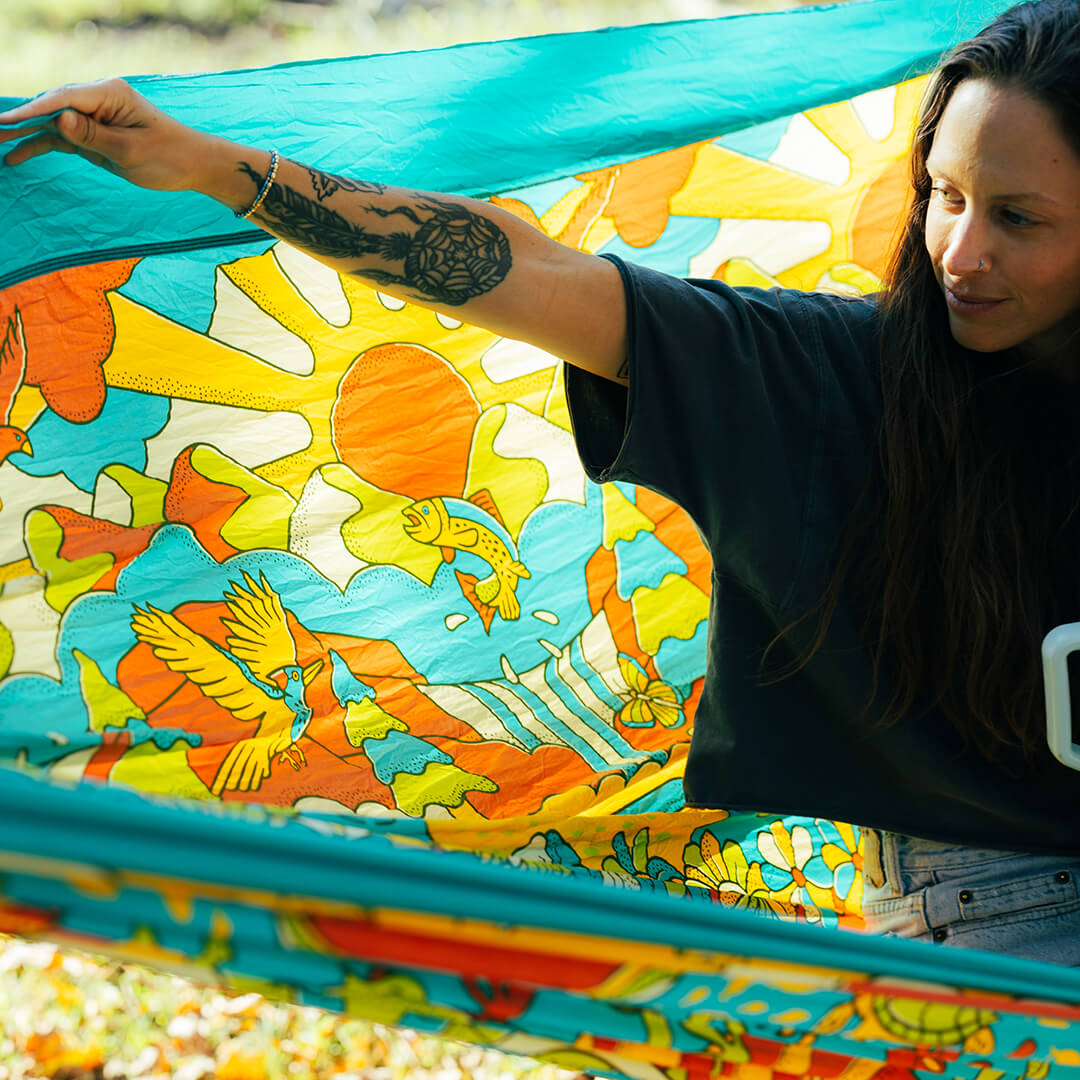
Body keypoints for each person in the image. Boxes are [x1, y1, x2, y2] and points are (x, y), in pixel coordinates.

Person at [2, 0, 1080, 965]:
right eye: (943, 196)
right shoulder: (825, 375)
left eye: (1017, 218)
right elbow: (529, 272)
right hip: (995, 936)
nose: (959, 252)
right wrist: (207, 166)